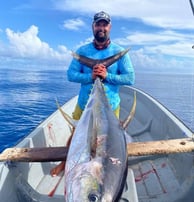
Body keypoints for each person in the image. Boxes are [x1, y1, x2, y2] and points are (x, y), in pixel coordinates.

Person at [50, 11, 135, 176]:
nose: (101, 27)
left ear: (109, 27)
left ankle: (106, 166)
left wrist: (106, 76)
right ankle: (65, 161)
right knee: (76, 135)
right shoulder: (82, 51)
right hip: (84, 104)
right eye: (98, 24)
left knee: (109, 140)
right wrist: (91, 76)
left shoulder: (120, 52)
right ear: (93, 27)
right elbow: (70, 75)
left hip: (110, 106)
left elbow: (130, 78)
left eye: (104, 24)